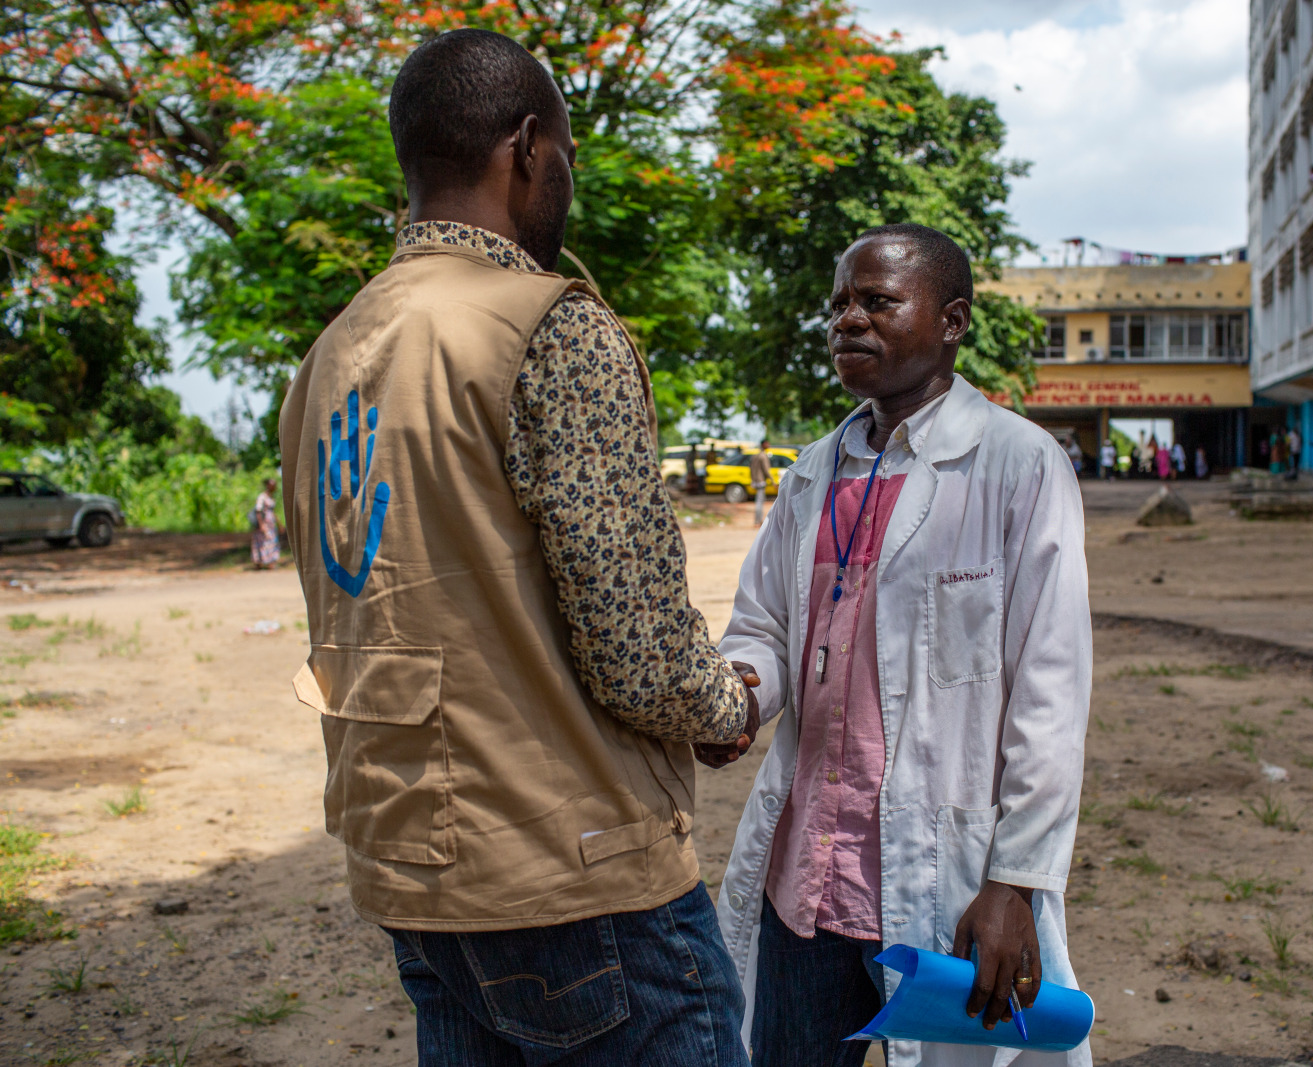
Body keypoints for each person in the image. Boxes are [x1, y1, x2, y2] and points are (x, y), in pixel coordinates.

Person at [278, 30, 755, 1066]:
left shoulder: (332, 352)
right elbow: (639, 652)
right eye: (567, 157)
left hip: (415, 869)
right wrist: (728, 704)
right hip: (573, 871)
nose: (565, 181)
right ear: (529, 148)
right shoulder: (543, 325)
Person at [705, 224, 1093, 1067]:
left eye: (877, 302)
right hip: (806, 883)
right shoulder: (813, 472)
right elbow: (766, 627)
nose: (848, 320)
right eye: (839, 304)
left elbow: (1051, 692)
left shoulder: (1017, 466)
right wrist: (739, 690)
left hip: (943, 883)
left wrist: (1017, 880)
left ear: (951, 320)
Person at [251, 478, 280, 570]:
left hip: (271, 525)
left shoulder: (270, 497)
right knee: (262, 543)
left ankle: (270, 562)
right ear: (268, 485)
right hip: (264, 524)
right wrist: (261, 525)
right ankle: (259, 563)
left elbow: (272, 512)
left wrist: (279, 524)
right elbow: (258, 511)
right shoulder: (262, 497)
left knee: (271, 542)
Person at [750, 439, 773, 527]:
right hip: (760, 481)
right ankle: (757, 521)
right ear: (763, 444)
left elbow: (751, 468)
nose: (769, 445)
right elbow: (766, 470)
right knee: (759, 501)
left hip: (755, 480)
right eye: (767, 443)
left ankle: (758, 520)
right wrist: (772, 481)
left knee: (759, 501)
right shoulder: (763, 456)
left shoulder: (755, 455)